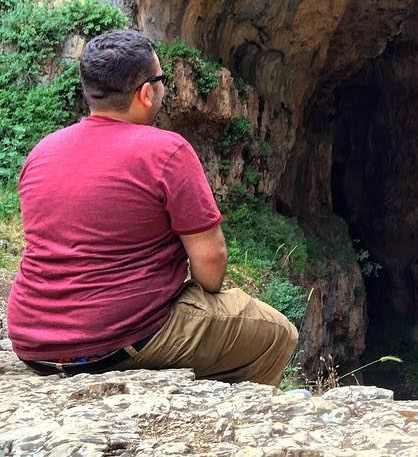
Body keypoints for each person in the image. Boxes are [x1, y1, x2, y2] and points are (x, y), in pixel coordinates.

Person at [6, 29, 297, 384]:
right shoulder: (166, 151)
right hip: (121, 340)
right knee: (278, 333)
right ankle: (239, 420)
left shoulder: (41, 153)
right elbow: (210, 263)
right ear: (146, 93)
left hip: (32, 343)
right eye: (160, 80)